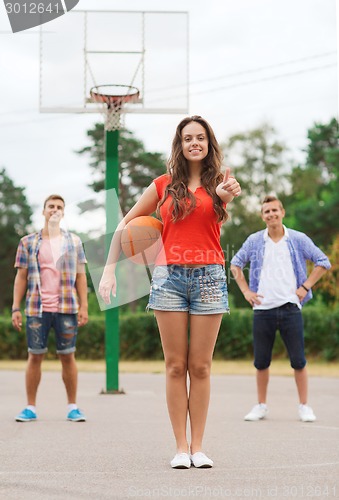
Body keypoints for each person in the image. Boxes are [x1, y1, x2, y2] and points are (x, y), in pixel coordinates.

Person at [99, 115, 241, 468]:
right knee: (176, 366)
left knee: (202, 367)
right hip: (168, 279)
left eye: (201, 138)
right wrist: (108, 272)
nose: (194, 143)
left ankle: (199, 447)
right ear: (179, 145)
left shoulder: (220, 184)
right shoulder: (162, 185)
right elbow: (124, 226)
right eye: (187, 138)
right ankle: (180, 448)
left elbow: (217, 215)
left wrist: (225, 197)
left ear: (209, 144)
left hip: (209, 276)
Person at [230, 195, 331, 423]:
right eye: (267, 211)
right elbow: (235, 264)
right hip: (262, 310)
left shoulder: (297, 239)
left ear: (282, 212)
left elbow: (323, 262)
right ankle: (261, 405)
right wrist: (246, 292)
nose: (271, 214)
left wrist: (305, 286)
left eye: (275, 210)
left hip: (290, 308)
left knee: (298, 361)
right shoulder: (255, 241)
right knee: (261, 362)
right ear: (262, 216)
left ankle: (304, 406)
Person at [12, 194, 88, 423]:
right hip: (37, 308)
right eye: (51, 206)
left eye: (59, 207)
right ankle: (30, 408)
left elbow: (81, 276)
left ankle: (73, 407)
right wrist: (16, 307)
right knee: (35, 356)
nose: (55, 210)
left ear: (63, 213)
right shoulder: (28, 242)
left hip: (66, 307)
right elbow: (21, 277)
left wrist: (84, 306)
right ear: (43, 211)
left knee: (68, 356)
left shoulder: (73, 241)